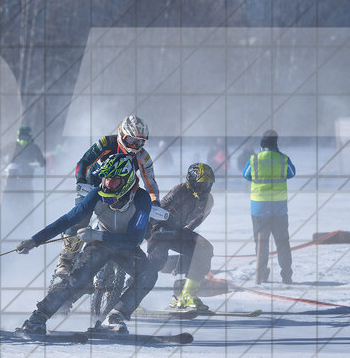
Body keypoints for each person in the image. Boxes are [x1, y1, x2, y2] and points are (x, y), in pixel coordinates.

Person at [15, 154, 158, 334]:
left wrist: (98, 235)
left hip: (125, 246)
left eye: (113, 181)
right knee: (78, 279)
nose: (107, 185)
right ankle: (39, 316)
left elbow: (135, 239)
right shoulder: (96, 194)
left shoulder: (142, 199)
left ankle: (115, 316)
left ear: (127, 180)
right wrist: (35, 240)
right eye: (106, 179)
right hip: (99, 246)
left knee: (149, 274)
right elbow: (68, 219)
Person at [50, 114, 159, 287]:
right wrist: (81, 181)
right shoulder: (107, 143)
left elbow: (150, 182)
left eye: (139, 142)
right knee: (80, 217)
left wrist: (155, 202)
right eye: (131, 140)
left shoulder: (143, 157)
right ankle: (66, 260)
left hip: (123, 191)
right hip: (94, 184)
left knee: (136, 223)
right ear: (122, 134)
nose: (134, 146)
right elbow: (84, 162)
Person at [147, 163, 217, 310]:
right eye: (202, 184)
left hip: (179, 232)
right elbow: (158, 210)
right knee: (156, 262)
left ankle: (187, 295)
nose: (206, 188)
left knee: (204, 248)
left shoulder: (209, 200)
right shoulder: (179, 191)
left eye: (208, 184)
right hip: (160, 230)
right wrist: (148, 232)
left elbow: (195, 222)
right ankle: (133, 297)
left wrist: (187, 242)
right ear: (191, 181)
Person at [242, 129, 296, 284]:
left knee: (261, 243)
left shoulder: (255, 159)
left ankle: (262, 275)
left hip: (259, 209)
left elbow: (246, 174)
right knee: (282, 242)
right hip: (279, 209)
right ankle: (286, 275)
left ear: (262, 144)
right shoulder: (283, 158)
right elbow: (291, 173)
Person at [2, 126, 45, 197]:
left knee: (10, 189)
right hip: (21, 177)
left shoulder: (11, 145)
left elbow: (42, 162)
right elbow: (42, 162)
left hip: (22, 177)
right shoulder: (34, 147)